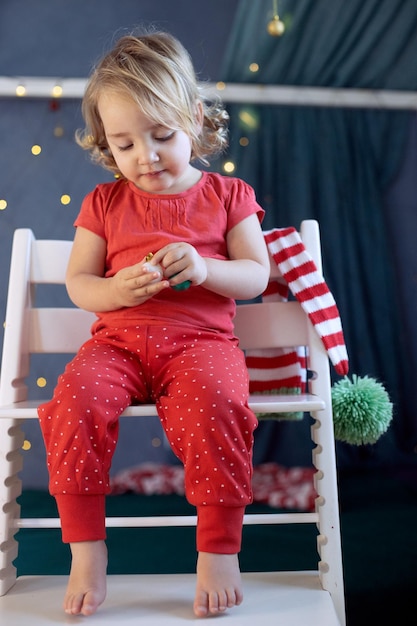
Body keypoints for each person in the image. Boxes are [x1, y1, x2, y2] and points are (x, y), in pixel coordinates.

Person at [38, 29, 270, 619]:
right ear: (105, 146)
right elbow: (79, 283)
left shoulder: (227, 195)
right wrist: (113, 289)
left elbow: (256, 276)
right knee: (74, 400)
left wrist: (205, 267)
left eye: (163, 135)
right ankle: (86, 549)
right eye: (124, 144)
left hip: (201, 344)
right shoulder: (104, 204)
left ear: (193, 118)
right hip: (117, 344)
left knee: (219, 400)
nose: (146, 156)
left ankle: (218, 548)